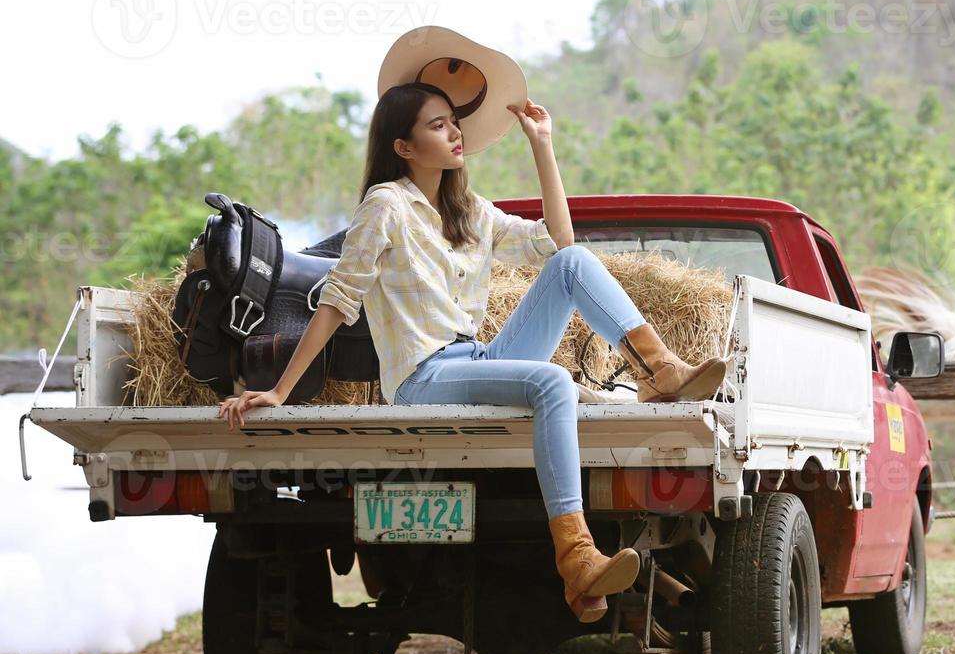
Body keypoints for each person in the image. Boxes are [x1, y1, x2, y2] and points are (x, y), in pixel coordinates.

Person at [216, 78, 728, 623]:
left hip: (476, 357)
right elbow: (338, 302)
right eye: (436, 125)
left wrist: (542, 144)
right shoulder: (385, 207)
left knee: (572, 265)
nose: (454, 132)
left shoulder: (470, 210)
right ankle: (577, 558)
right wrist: (277, 391)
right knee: (552, 381)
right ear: (404, 147)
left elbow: (559, 243)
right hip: (423, 378)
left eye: (453, 121)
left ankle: (660, 369)